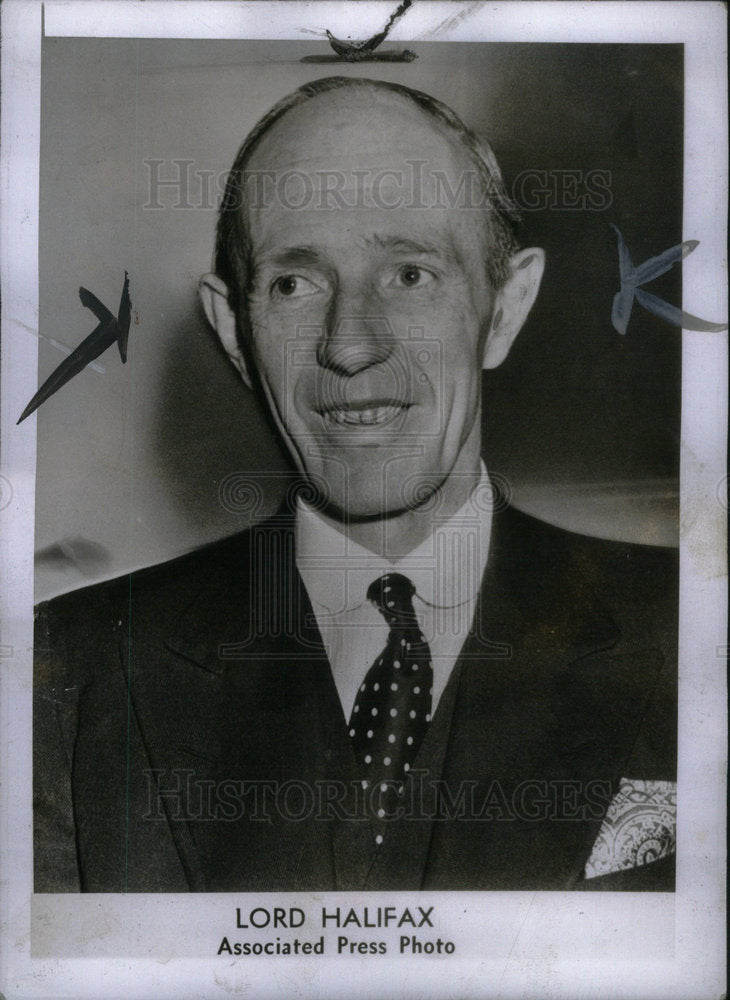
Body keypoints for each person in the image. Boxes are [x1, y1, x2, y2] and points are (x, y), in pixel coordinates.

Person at [34, 77, 677, 893]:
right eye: (295, 284)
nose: (350, 346)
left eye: (409, 274)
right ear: (234, 333)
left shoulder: (694, 630)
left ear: (506, 308)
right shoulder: (65, 673)